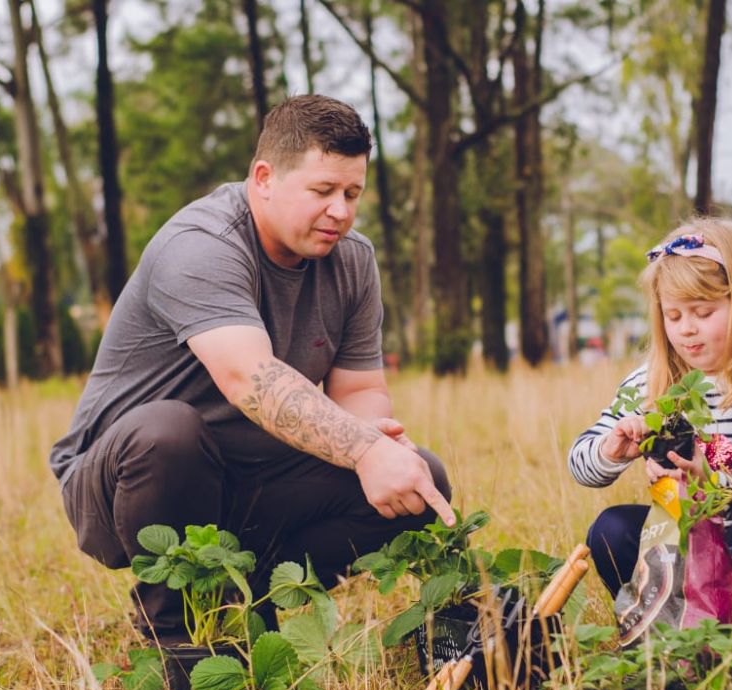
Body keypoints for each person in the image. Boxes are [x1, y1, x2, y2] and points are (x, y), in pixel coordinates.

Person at [49, 95, 453, 645]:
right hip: (128, 479)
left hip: (250, 474)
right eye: (323, 191)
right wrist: (361, 449)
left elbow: (359, 388)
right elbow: (249, 378)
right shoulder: (201, 245)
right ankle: (178, 635)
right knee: (170, 432)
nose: (341, 210)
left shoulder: (353, 260)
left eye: (352, 193)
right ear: (264, 178)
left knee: (417, 478)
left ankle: (247, 594)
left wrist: (376, 447)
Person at [568, 218, 732, 594]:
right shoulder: (650, 384)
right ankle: (659, 620)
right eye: (673, 315)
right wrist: (612, 450)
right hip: (681, 537)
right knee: (611, 531)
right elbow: (581, 466)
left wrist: (722, 484)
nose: (686, 329)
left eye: (703, 313)